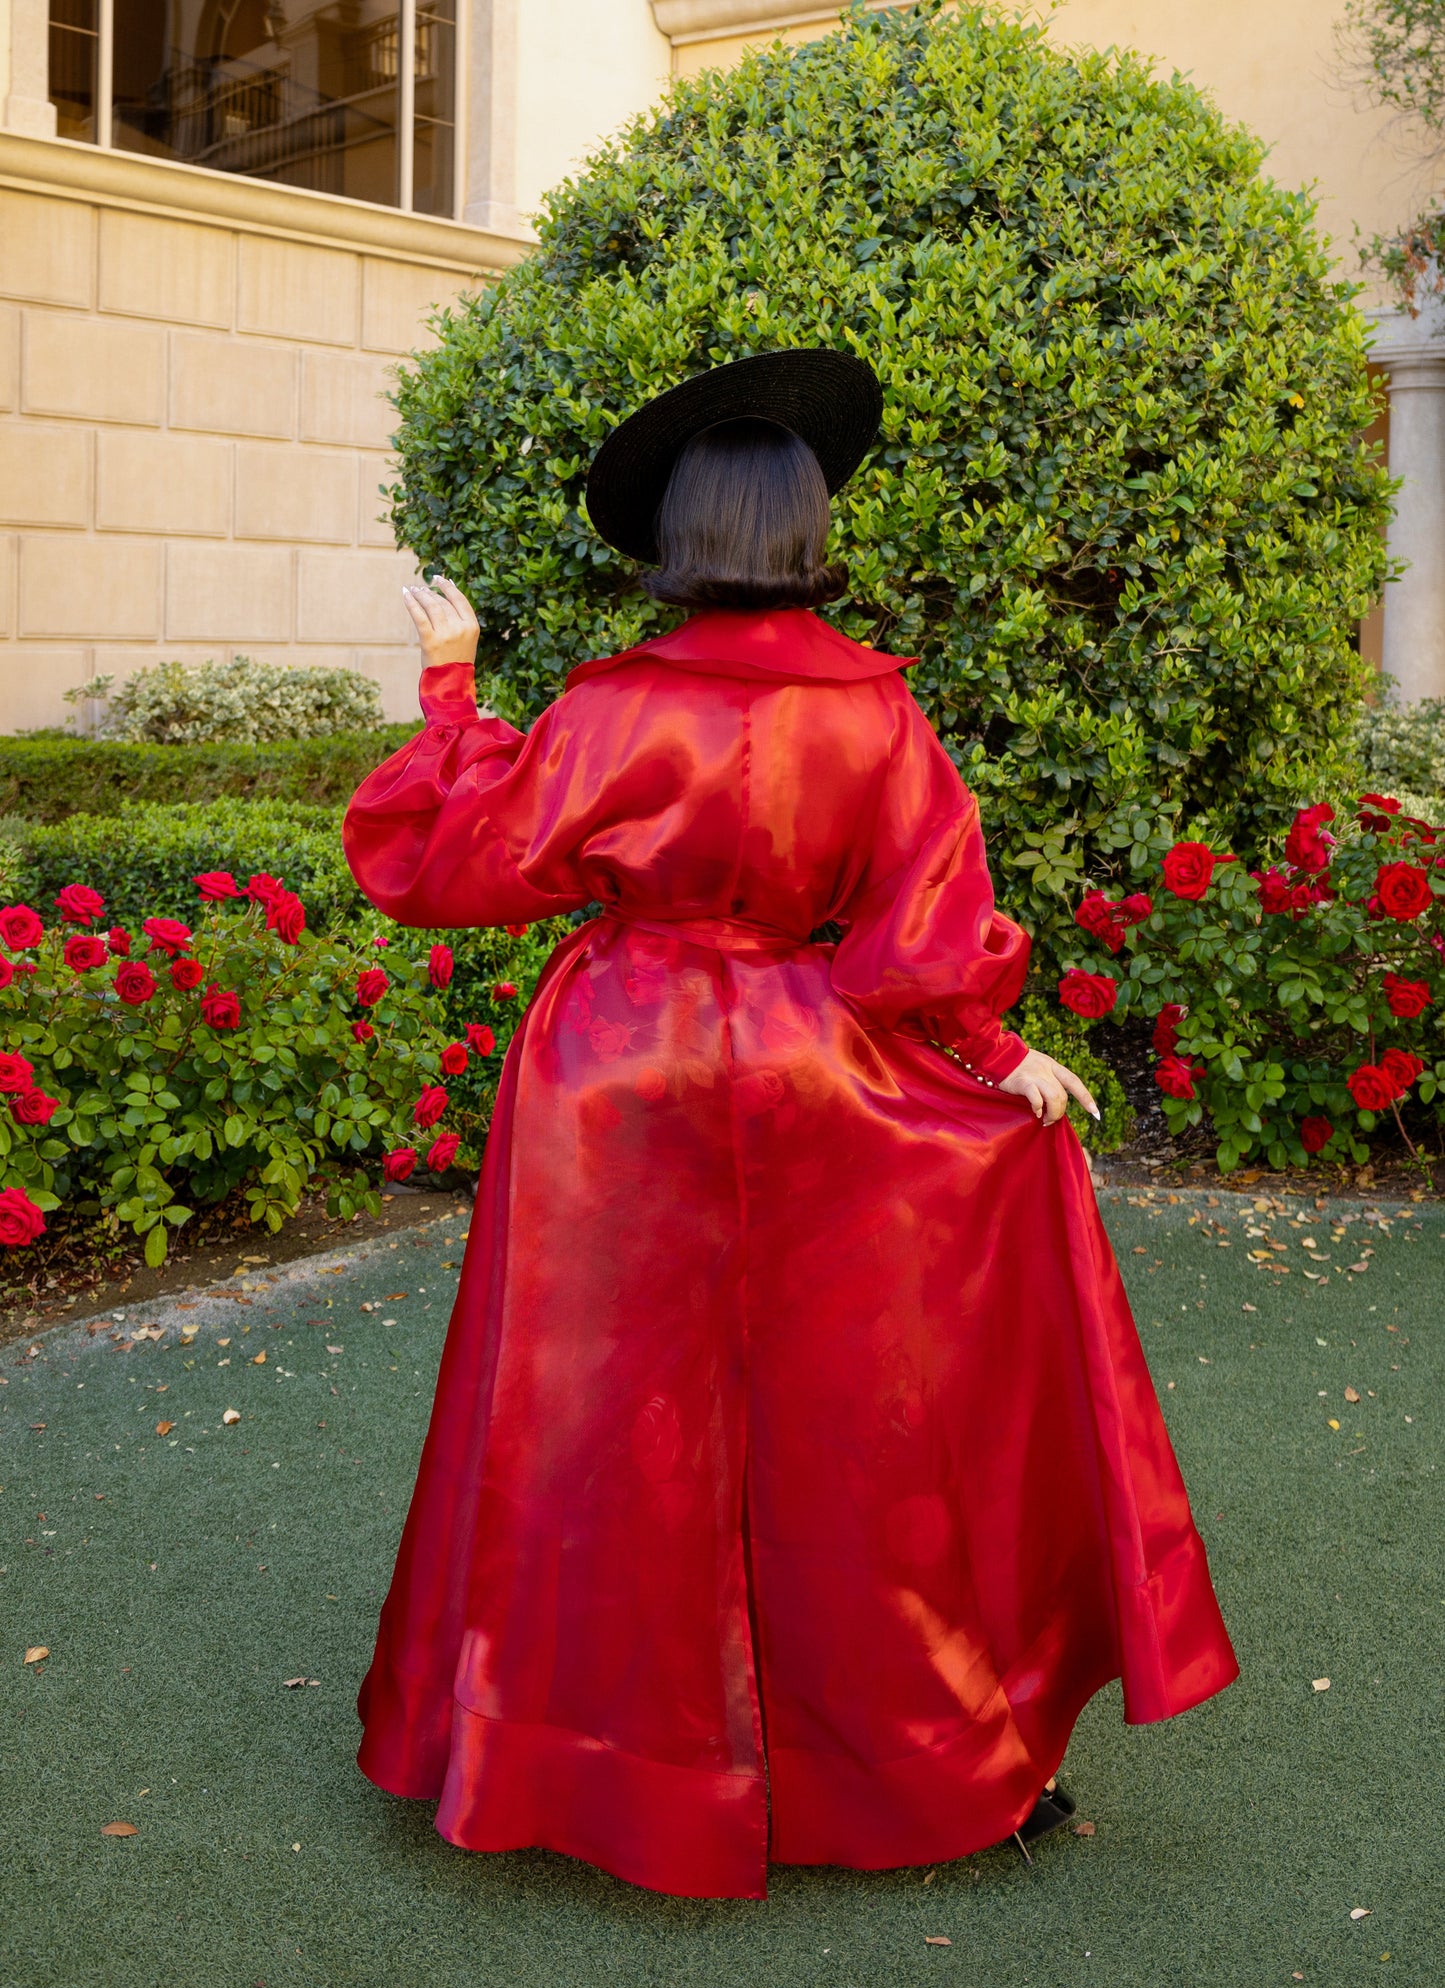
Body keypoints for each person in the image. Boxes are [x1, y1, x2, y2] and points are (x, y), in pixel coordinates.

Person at [342, 347, 1238, 1901]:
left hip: (606, 1081)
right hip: (814, 1066)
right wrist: (997, 1053)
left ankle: (558, 1752)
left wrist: (450, 689)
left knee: (591, 1424)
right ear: (811, 527)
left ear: (678, 536)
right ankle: (926, 1745)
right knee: (855, 1417)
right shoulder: (878, 714)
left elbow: (466, 865)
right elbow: (922, 929)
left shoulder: (606, 708)